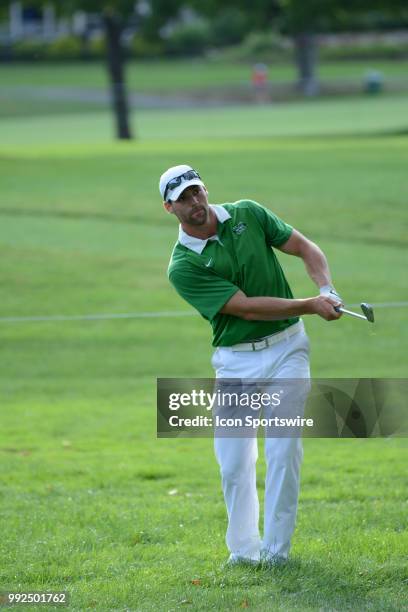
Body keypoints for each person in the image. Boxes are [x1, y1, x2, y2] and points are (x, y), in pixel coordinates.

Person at [159, 164, 343, 566]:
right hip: (235, 363)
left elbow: (305, 248)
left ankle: (277, 554)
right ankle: (244, 553)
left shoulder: (248, 213)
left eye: (196, 192)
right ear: (168, 208)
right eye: (183, 199)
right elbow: (244, 308)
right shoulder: (182, 266)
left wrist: (326, 289)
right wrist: (311, 305)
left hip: (288, 349)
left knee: (283, 450)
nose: (195, 203)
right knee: (233, 464)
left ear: (205, 190)